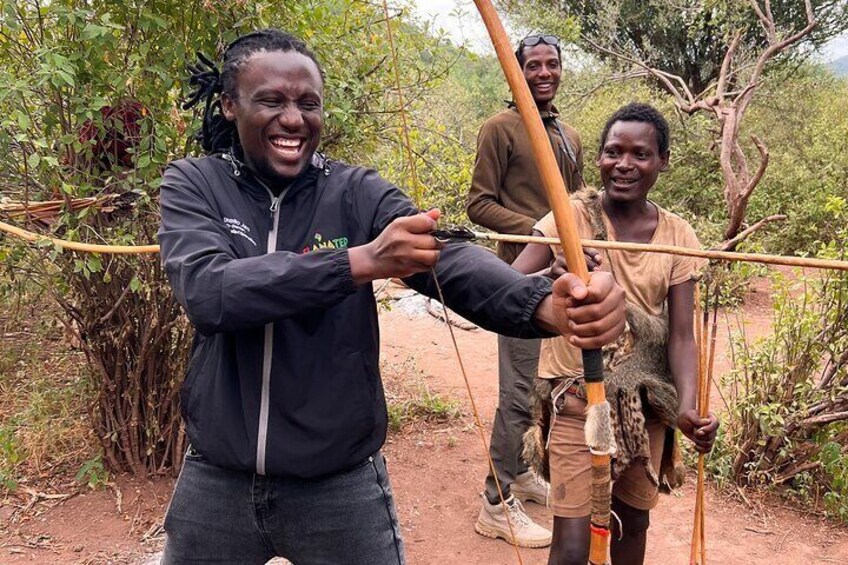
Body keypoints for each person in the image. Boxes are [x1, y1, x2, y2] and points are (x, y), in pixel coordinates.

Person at [157, 29, 626, 565]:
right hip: (218, 478)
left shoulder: (354, 190)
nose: (293, 119)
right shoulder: (195, 182)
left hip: (339, 484)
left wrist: (542, 304)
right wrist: (360, 261)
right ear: (229, 104)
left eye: (309, 104)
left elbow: (443, 253)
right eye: (271, 101)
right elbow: (209, 291)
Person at [511, 103, 720, 565]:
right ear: (600, 158)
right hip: (576, 401)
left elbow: (682, 336)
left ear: (663, 161)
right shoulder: (570, 217)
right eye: (613, 151)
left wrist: (687, 409)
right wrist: (552, 272)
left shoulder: (677, 235)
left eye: (640, 154)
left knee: (632, 531)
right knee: (570, 544)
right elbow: (509, 286)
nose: (624, 164)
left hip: (646, 409)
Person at [466, 33, 584, 548]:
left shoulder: (568, 135)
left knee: (544, 388)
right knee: (516, 391)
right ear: (515, 72)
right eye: (531, 65)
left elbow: (576, 203)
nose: (543, 72)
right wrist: (542, 229)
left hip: (564, 282)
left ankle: (520, 472)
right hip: (518, 281)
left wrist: (572, 232)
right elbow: (479, 204)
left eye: (551, 64)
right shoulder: (500, 128)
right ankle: (496, 502)